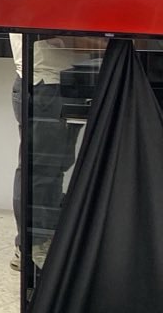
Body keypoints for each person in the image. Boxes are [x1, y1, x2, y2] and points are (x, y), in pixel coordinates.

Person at [8, 34, 101, 271]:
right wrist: (106, 42)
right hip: (43, 86)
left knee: (57, 168)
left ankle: (47, 237)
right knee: (38, 169)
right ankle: (30, 246)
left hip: (66, 82)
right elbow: (65, 37)